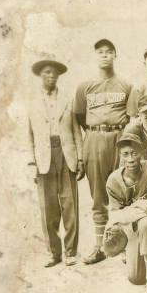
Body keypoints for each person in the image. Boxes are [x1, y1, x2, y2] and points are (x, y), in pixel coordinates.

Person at [73, 38, 132, 265]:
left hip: (119, 137)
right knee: (98, 195)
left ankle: (126, 246)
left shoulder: (126, 85)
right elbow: (79, 116)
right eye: (100, 52)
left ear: (115, 55)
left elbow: (131, 115)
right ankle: (99, 247)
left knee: (123, 191)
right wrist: (94, 131)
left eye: (109, 52)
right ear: (96, 56)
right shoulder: (84, 86)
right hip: (95, 138)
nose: (105, 55)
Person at [28, 57, 84, 267]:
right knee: (48, 207)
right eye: (47, 73)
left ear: (58, 76)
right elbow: (29, 136)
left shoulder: (67, 100)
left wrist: (80, 159)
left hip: (65, 154)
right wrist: (31, 163)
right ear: (40, 75)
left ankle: (71, 252)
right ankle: (54, 252)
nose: (51, 77)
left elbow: (76, 131)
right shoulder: (33, 102)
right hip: (44, 158)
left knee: (69, 205)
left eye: (54, 73)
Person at [105, 133, 147, 293]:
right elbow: (115, 217)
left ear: (142, 153)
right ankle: (133, 254)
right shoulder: (113, 180)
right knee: (135, 278)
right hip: (130, 228)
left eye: (134, 153)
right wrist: (140, 203)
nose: (131, 159)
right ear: (120, 156)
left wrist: (128, 212)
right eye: (125, 154)